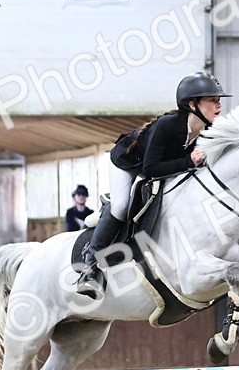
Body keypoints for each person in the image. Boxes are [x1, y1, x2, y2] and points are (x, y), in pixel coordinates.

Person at [75, 71, 230, 299]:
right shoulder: (167, 125)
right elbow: (150, 169)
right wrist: (189, 161)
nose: (219, 106)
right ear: (192, 105)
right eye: (212, 100)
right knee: (121, 206)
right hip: (127, 163)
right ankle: (89, 268)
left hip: (158, 167)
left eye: (219, 101)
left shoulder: (207, 132)